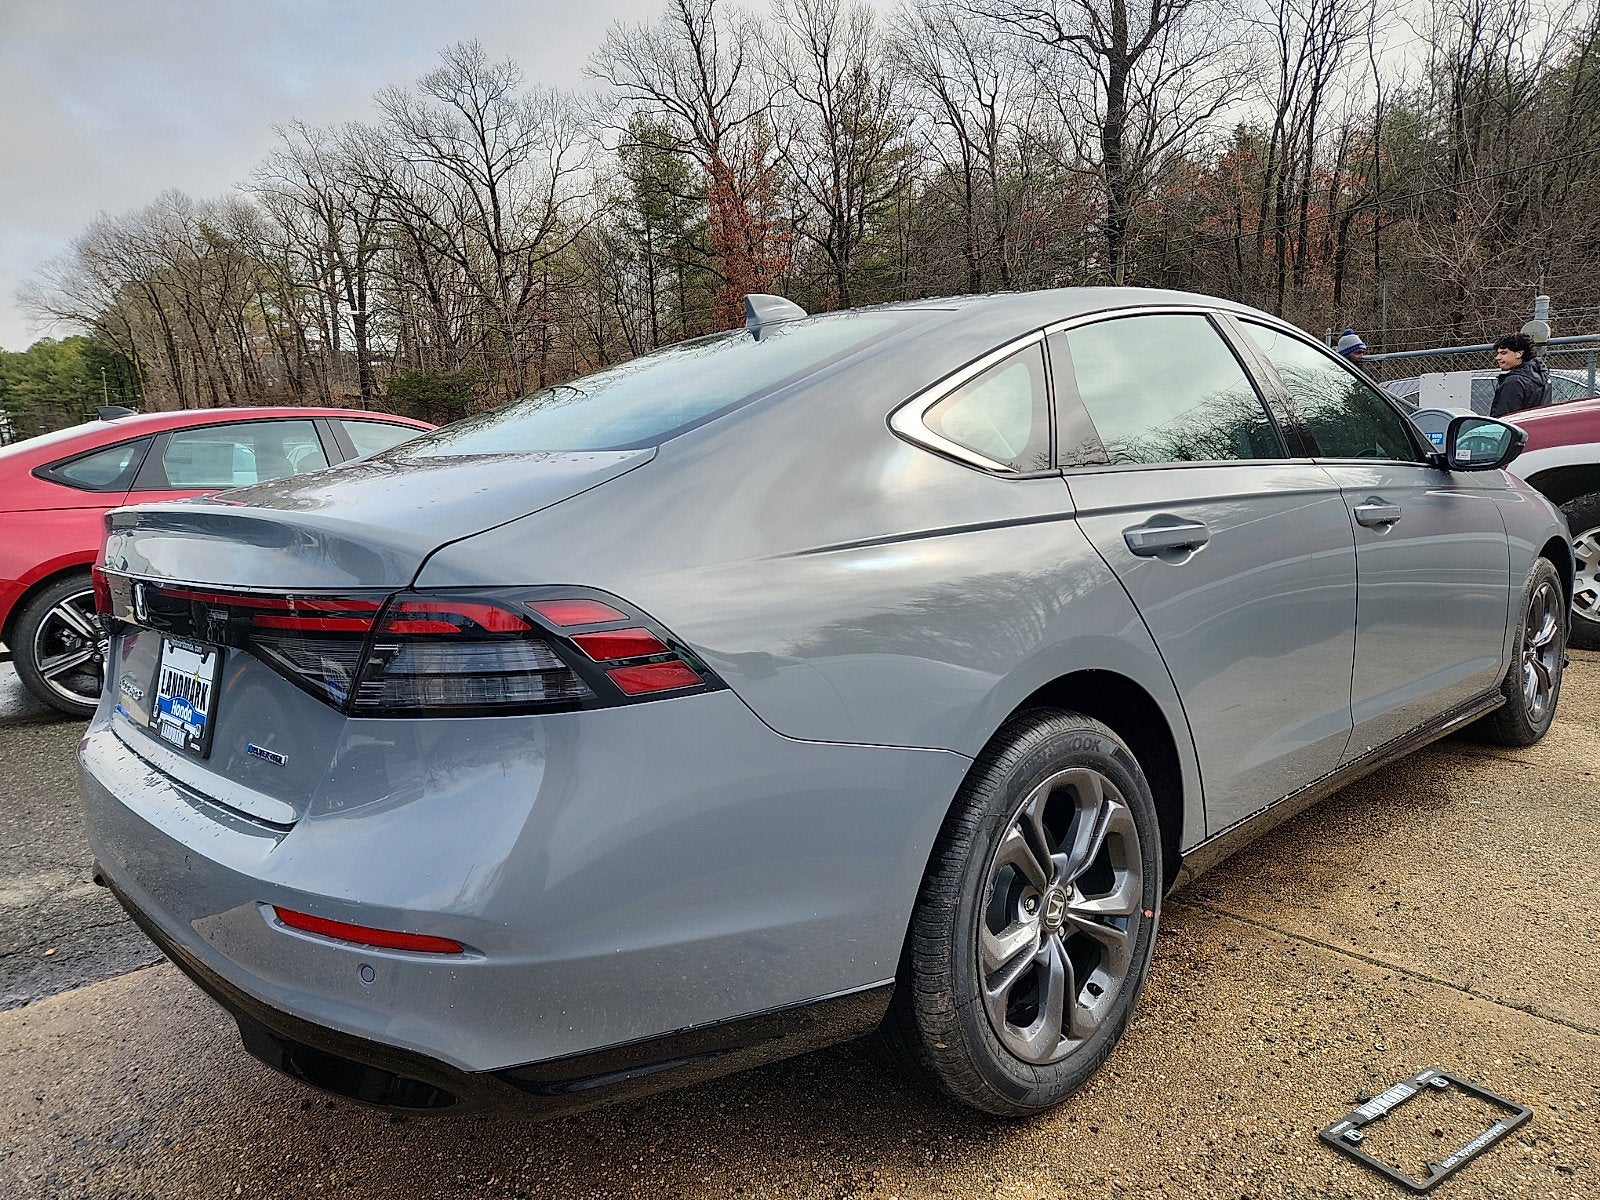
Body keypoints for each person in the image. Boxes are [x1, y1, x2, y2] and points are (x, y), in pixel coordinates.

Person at [1489, 333, 1551, 417]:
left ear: (1519, 354)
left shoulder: (1514, 382)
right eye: (1498, 353)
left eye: (1503, 353)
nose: (1498, 357)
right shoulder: (1543, 376)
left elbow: (1504, 418)